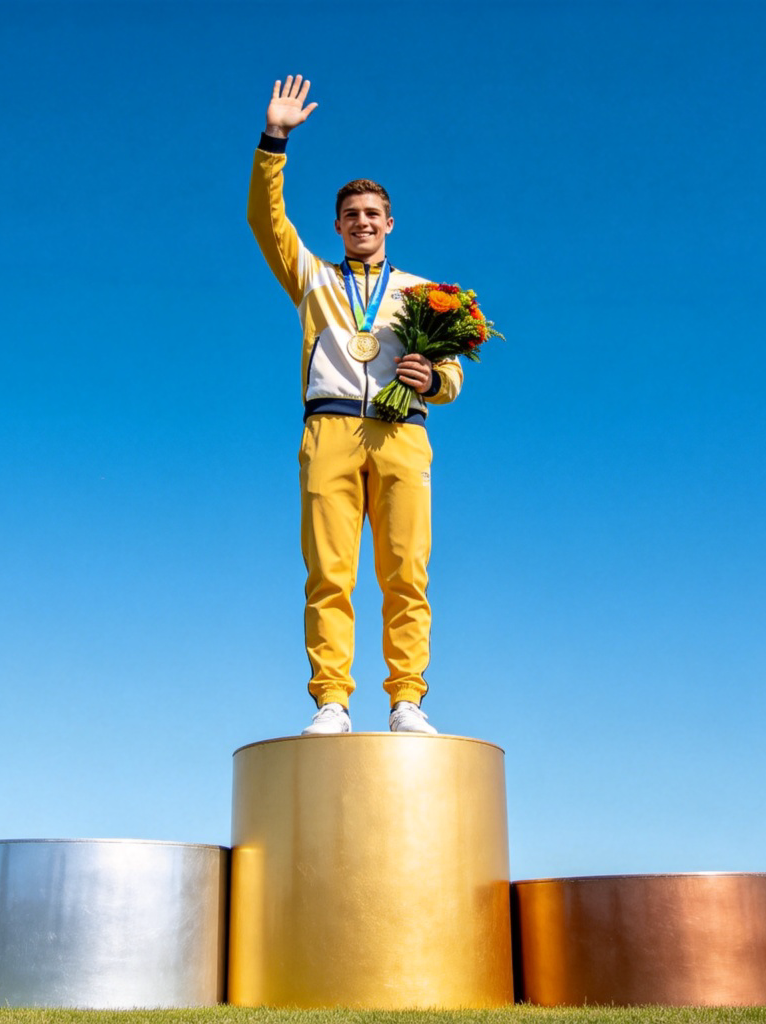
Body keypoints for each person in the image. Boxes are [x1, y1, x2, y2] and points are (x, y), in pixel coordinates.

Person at [248, 75, 463, 736]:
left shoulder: (426, 291)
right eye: (351, 216)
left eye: (374, 215)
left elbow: (453, 376)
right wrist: (274, 139)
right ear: (337, 226)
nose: (363, 223)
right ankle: (332, 702)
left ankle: (406, 699)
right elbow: (265, 219)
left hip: (402, 435)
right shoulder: (313, 278)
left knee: (406, 575)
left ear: (389, 223)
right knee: (329, 573)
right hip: (331, 428)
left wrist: (432, 379)